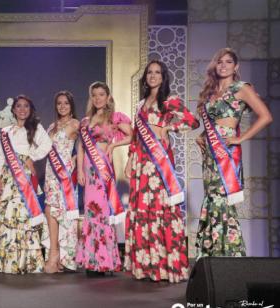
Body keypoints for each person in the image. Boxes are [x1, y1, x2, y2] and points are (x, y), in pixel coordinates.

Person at [124, 60, 199, 283]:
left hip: (160, 165)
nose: (153, 76)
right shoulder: (140, 104)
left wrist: (169, 127)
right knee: (143, 210)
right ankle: (147, 265)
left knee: (162, 209)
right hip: (140, 164)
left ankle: (167, 267)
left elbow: (193, 122)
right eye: (150, 72)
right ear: (145, 76)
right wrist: (129, 161)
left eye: (157, 72)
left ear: (163, 76)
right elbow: (137, 136)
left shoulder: (169, 101)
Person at [195, 48, 272, 257]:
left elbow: (265, 116)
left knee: (223, 201)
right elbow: (211, 123)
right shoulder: (210, 93)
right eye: (219, 61)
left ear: (235, 66)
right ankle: (212, 255)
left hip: (226, 154)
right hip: (211, 155)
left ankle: (230, 256)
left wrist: (241, 137)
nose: (223, 65)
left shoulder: (241, 88)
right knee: (212, 200)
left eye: (228, 62)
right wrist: (202, 135)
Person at [76, 82, 132, 274]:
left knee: (103, 212)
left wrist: (113, 146)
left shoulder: (114, 117)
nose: (98, 98)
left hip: (104, 172)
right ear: (91, 98)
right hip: (89, 172)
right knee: (91, 214)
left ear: (108, 97)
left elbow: (132, 136)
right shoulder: (85, 121)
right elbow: (81, 148)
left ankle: (106, 260)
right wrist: (80, 171)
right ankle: (92, 261)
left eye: (101, 94)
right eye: (94, 95)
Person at [0, 95, 52, 274]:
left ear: (30, 109)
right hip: (8, 177)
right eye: (18, 106)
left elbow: (47, 145)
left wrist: (30, 157)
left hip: (24, 177)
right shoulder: (6, 131)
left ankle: (28, 261)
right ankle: (10, 262)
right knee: (10, 217)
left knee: (26, 217)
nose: (22, 109)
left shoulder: (36, 128)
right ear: (13, 109)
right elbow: (1, 155)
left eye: (26, 106)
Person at [41, 91, 79, 273]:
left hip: (65, 174)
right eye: (59, 103)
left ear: (71, 105)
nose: (62, 106)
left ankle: (63, 256)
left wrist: (77, 159)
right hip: (51, 172)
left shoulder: (76, 124)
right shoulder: (51, 126)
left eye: (66, 103)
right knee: (50, 209)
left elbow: (87, 145)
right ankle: (53, 252)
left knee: (62, 211)